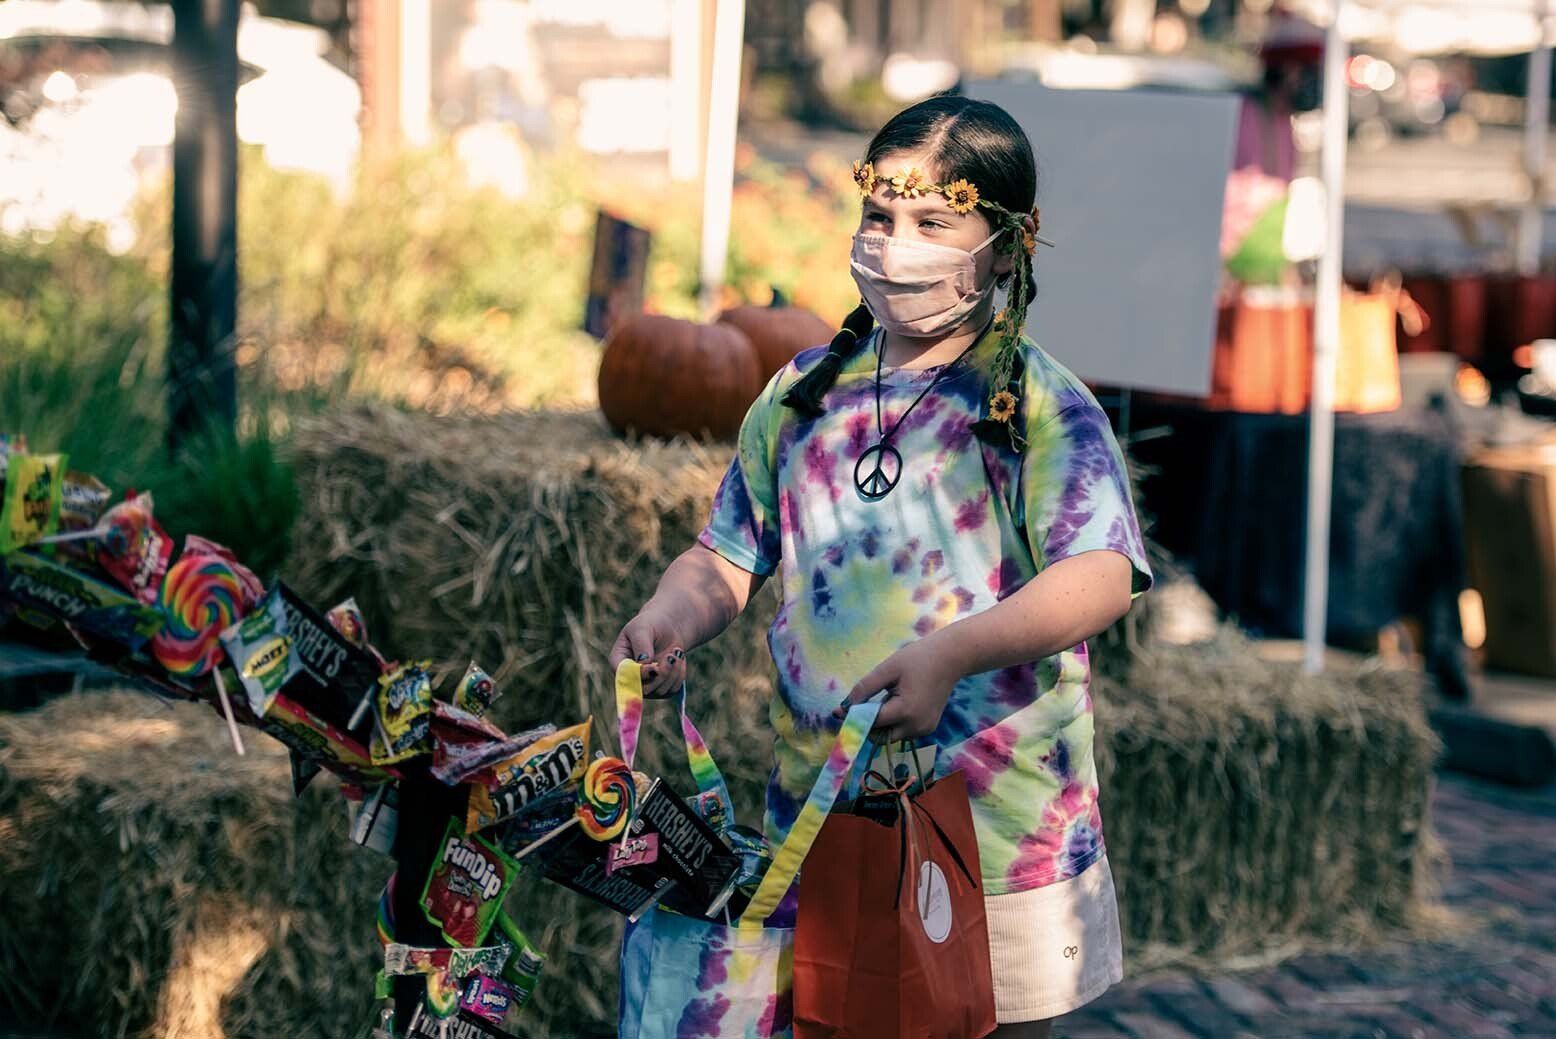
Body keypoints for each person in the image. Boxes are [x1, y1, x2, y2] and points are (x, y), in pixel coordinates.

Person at [609, 93, 1153, 1038]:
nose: (896, 244)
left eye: (934, 222)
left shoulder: (1038, 407)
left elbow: (1101, 571)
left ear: (1009, 243)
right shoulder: (799, 396)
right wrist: (671, 616)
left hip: (996, 837)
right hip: (823, 825)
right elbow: (726, 553)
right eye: (880, 216)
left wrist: (950, 655)